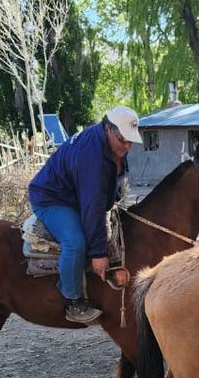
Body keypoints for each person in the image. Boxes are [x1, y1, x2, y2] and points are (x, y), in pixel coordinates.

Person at [27, 106, 142, 324]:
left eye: (131, 141)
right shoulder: (92, 156)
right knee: (75, 242)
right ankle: (73, 300)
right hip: (52, 198)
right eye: (123, 140)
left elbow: (110, 183)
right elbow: (92, 205)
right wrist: (98, 254)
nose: (127, 146)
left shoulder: (110, 143)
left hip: (75, 196)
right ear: (108, 128)